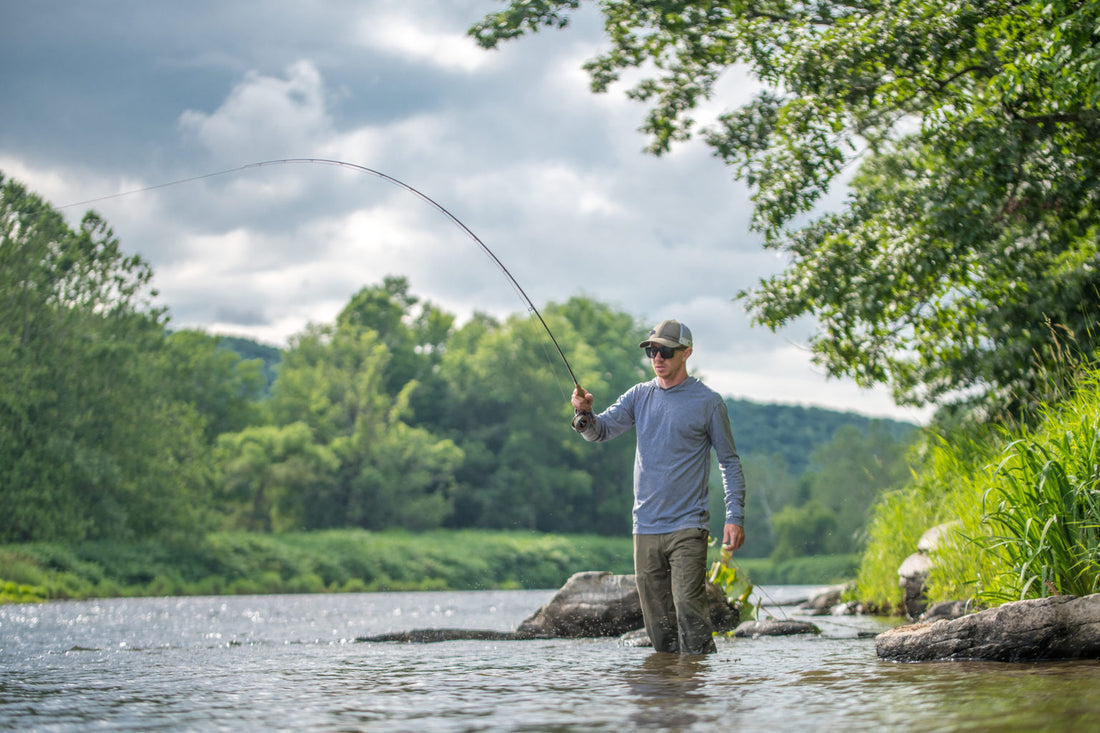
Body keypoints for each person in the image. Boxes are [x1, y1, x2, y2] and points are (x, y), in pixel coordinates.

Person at [571, 319, 746, 654]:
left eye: (666, 350)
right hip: (645, 527)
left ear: (686, 353)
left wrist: (735, 515)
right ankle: (665, 698)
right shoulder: (639, 395)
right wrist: (584, 414)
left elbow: (729, 462)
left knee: (691, 617)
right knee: (658, 629)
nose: (657, 357)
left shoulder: (708, 402)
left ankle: (697, 693)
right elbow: (600, 431)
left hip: (688, 526)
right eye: (652, 350)